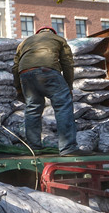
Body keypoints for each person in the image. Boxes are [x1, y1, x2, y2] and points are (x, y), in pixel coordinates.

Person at [12, 26, 91, 156]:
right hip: (47, 71)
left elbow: (15, 67)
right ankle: (68, 148)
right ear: (52, 32)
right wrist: (69, 87)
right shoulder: (58, 39)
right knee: (63, 106)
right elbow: (67, 63)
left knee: (32, 108)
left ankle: (34, 148)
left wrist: (19, 88)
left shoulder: (25, 42)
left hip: (25, 74)